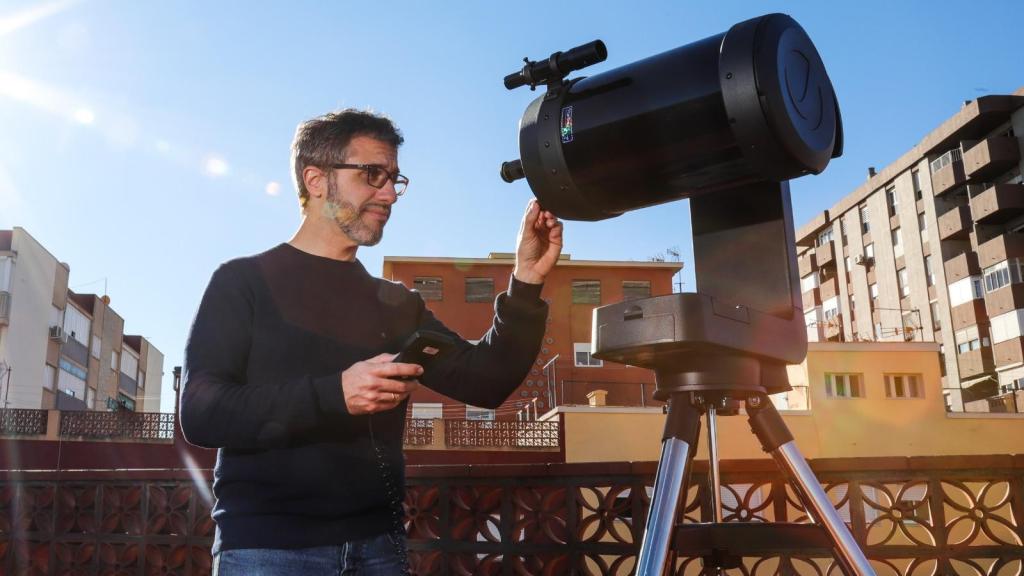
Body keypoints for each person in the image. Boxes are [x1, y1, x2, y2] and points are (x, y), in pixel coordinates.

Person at [179, 109, 563, 576]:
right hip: (269, 550)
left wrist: (525, 282)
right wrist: (336, 394)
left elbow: (487, 379)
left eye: (394, 180)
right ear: (316, 180)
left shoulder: (396, 304)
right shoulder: (243, 283)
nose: (388, 195)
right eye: (372, 175)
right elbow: (202, 412)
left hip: (380, 549)